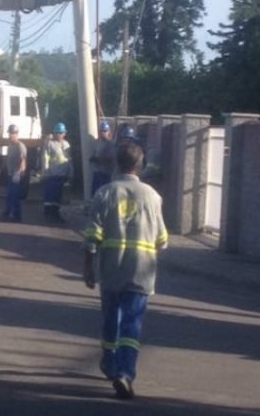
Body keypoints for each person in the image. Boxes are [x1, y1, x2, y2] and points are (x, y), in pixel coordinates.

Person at [82, 141, 168, 400]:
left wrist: (88, 268)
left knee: (111, 319)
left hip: (111, 270)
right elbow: (162, 239)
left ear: (117, 164)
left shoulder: (105, 193)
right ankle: (125, 373)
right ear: (140, 167)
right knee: (132, 324)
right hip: (141, 271)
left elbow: (92, 236)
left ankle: (109, 363)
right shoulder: (153, 196)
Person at [41, 122, 73, 223]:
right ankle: (47, 213)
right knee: (50, 194)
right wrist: (45, 171)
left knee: (58, 195)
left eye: (61, 133)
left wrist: (70, 173)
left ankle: (56, 213)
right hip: (52, 173)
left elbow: (69, 160)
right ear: (55, 133)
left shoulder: (67, 144)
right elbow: (45, 157)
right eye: (58, 133)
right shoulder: (50, 144)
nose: (60, 135)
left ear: (64, 133)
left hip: (62, 174)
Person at [2, 124, 27, 222]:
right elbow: (8, 159)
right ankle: (8, 212)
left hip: (16, 173)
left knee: (15, 195)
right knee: (9, 194)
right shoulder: (10, 146)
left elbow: (23, 160)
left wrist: (19, 172)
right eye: (10, 133)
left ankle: (17, 215)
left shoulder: (20, 146)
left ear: (16, 134)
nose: (10, 136)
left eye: (12, 134)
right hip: (10, 172)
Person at [90, 120, 115, 194]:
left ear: (109, 132)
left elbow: (111, 158)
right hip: (97, 172)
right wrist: (93, 157)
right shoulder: (98, 142)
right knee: (95, 192)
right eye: (101, 131)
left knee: (104, 193)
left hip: (106, 173)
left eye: (105, 131)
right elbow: (95, 152)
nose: (103, 133)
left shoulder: (110, 144)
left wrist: (98, 159)